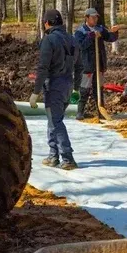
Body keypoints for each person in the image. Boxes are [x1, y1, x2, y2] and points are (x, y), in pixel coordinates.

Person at [29, 9, 79, 170]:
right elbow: (80, 66)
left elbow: (43, 67)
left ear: (46, 23)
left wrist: (35, 92)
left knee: (56, 122)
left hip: (55, 85)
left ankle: (67, 157)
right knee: (54, 120)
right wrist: (76, 88)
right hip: (68, 84)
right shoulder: (72, 40)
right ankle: (53, 155)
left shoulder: (49, 40)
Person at [73, 9, 119, 119]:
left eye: (96, 17)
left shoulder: (100, 28)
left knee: (98, 88)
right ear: (87, 18)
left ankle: (100, 111)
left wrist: (115, 32)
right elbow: (81, 46)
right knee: (84, 89)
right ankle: (80, 112)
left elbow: (110, 38)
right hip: (87, 64)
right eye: (93, 17)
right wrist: (91, 36)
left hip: (99, 64)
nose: (95, 19)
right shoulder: (80, 31)